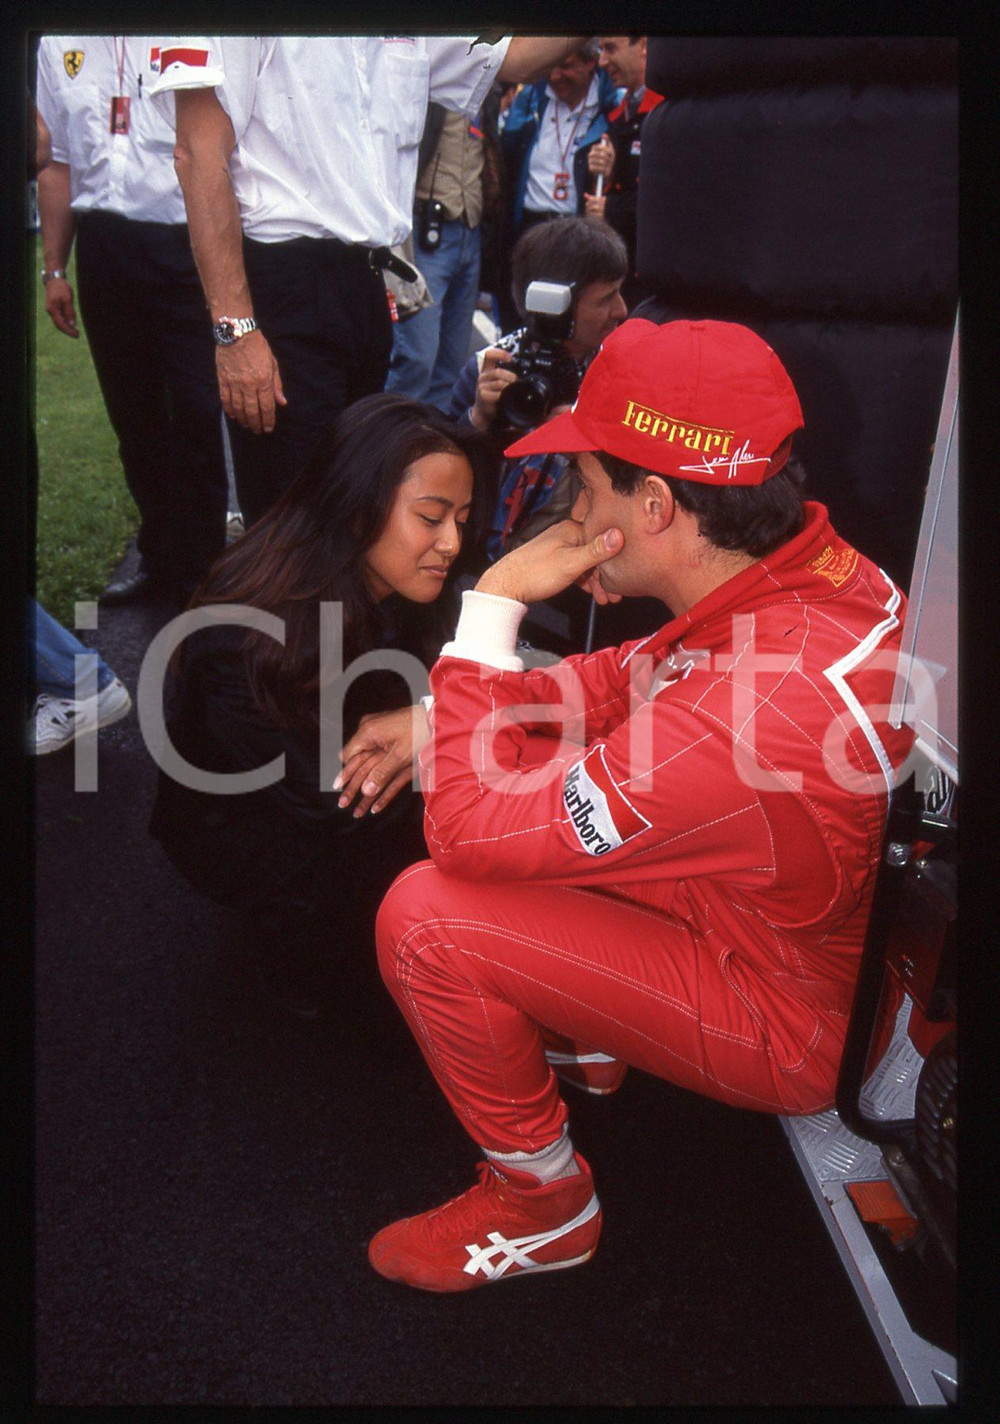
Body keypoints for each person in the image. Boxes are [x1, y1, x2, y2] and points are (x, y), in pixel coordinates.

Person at [357, 318, 914, 1292]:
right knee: (506, 742)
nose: (568, 516)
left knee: (424, 917)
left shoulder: (751, 709)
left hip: (781, 1008)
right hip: (802, 923)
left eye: (583, 487)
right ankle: (593, 1024)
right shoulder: (807, 571)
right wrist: (455, 699)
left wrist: (489, 606)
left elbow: (467, 829)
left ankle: (544, 1203)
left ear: (654, 503)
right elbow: (624, 681)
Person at [147, 35, 594, 529]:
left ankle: (332, 609)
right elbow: (198, 153)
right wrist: (234, 330)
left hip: (363, 283)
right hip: (278, 284)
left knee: (352, 515)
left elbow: (517, 58)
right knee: (289, 528)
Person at [148, 393, 493, 1017]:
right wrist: (447, 725)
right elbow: (339, 798)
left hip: (324, 794)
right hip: (258, 831)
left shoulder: (389, 580)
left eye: (461, 519)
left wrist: (435, 719)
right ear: (357, 505)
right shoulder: (245, 638)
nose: (452, 543)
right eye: (432, 516)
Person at [35, 35, 230, 607]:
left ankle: (205, 567)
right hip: (104, 246)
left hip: (183, 241)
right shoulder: (58, 40)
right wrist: (54, 269)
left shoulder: (184, 30)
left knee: (196, 411)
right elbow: (59, 163)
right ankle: (161, 557)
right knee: (135, 417)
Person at [385, 95, 500, 411]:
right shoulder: (428, 81)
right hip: (426, 232)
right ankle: (390, 445)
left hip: (469, 230)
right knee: (417, 357)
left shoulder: (485, 83)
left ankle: (433, 445)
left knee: (453, 363)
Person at [495, 42, 619, 330]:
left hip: (574, 233)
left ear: (591, 63)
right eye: (552, 67)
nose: (555, 76)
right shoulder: (532, 102)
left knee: (570, 326)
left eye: (566, 66)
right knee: (521, 323)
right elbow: (507, 157)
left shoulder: (610, 108)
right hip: (528, 229)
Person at [583, 36, 663, 309]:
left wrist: (610, 208)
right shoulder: (620, 114)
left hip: (651, 284)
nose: (602, 61)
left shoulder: (666, 113)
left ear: (643, 46)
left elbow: (671, 201)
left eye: (610, 49)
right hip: (621, 277)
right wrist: (601, 172)